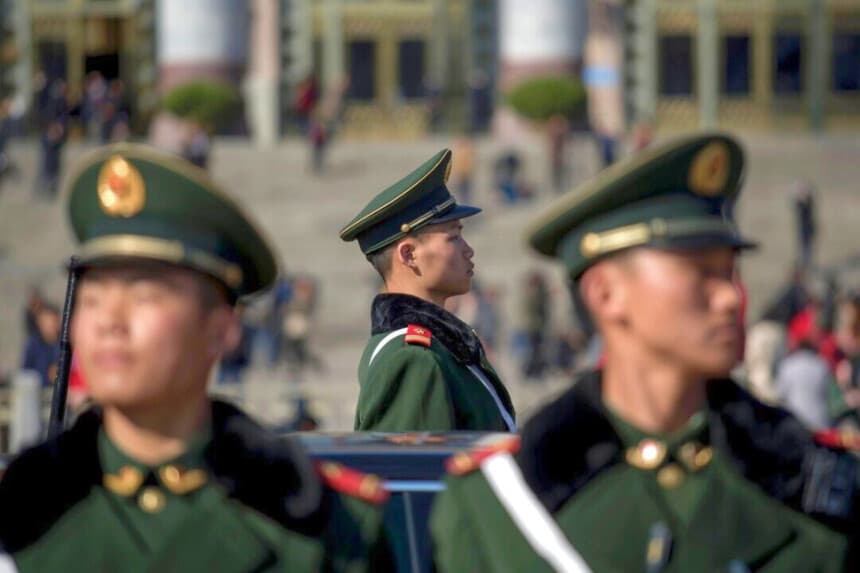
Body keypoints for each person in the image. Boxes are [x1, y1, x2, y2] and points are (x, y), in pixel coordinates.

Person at [431, 133, 859, 572]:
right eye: (700, 272)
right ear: (607, 294)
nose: (732, 297)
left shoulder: (817, 486)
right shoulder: (499, 505)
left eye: (730, 272)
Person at [0, 144, 392, 572]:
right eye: (92, 299)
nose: (109, 321)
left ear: (220, 331)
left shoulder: (316, 523)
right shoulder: (23, 513)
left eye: (144, 295)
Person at [340, 148, 515, 432]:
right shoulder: (413, 359)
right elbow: (415, 473)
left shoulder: (438, 345)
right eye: (454, 237)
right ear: (409, 255)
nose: (469, 250)